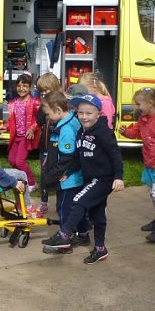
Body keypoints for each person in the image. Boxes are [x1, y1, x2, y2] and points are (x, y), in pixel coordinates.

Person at [41, 94, 124, 264]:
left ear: (98, 114)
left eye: (89, 113)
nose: (84, 117)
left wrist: (118, 177)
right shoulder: (81, 131)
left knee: (78, 201)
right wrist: (69, 171)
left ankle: (65, 234)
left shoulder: (103, 132)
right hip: (90, 178)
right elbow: (78, 155)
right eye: (80, 113)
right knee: (97, 214)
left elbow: (115, 155)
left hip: (103, 179)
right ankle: (100, 249)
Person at [119, 87, 155, 243]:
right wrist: (125, 132)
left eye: (138, 104)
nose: (137, 107)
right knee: (152, 193)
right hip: (149, 162)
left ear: (150, 103)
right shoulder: (143, 118)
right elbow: (136, 132)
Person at [39, 91, 89, 247]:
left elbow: (67, 157)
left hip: (67, 179)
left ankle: (64, 237)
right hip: (74, 176)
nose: (48, 118)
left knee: (63, 208)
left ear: (58, 110)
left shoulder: (66, 128)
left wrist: (51, 176)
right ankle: (83, 234)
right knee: (76, 207)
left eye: (48, 114)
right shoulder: (72, 121)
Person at [3, 73, 41, 192]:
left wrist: (32, 129)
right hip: (16, 136)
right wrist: (5, 127)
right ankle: (21, 179)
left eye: (24, 86)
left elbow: (39, 119)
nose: (21, 88)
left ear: (30, 87)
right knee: (12, 160)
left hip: (26, 136)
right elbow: (11, 120)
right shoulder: (13, 102)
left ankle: (32, 183)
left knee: (19, 161)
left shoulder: (34, 102)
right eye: (19, 86)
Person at [34, 72, 62, 215]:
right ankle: (43, 203)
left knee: (58, 176)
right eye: (42, 91)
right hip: (44, 146)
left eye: (46, 90)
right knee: (44, 175)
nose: (44, 93)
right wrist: (43, 109)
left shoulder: (61, 104)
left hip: (57, 147)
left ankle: (60, 204)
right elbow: (39, 121)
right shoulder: (43, 105)